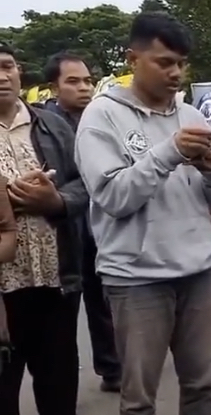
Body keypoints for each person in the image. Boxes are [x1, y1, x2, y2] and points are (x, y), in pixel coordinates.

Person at [74, 12, 211, 415]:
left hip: (199, 272)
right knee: (139, 396)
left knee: (202, 384)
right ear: (132, 58)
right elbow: (114, 196)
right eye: (164, 62)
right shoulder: (101, 118)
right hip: (137, 280)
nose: (176, 73)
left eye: (180, 63)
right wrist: (170, 152)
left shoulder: (191, 114)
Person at [0, 44, 93, 415]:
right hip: (2, 291)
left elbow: (85, 185)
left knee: (59, 382)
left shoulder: (54, 126)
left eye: (6, 67)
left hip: (55, 280)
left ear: (19, 73)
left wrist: (53, 199)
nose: (2, 77)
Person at [43, 51, 122, 393]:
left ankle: (112, 367)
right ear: (53, 87)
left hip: (100, 225)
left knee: (102, 299)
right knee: (65, 310)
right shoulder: (44, 126)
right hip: (64, 228)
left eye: (88, 80)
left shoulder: (102, 119)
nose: (84, 88)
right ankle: (62, 384)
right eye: (73, 81)